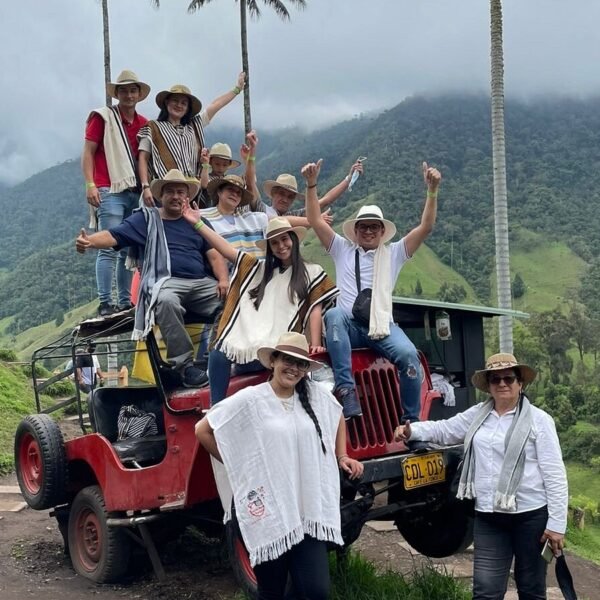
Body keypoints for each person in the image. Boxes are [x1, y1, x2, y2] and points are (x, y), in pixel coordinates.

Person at [195, 332, 363, 600]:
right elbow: (203, 430)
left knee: (316, 592)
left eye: (301, 364)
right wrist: (241, 466)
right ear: (273, 361)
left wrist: (342, 456)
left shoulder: (314, 396)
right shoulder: (251, 399)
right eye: (288, 360)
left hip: (307, 511)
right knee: (272, 592)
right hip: (269, 514)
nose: (294, 368)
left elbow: (338, 415)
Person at [394, 353, 568, 600]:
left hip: (530, 516)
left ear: (520, 383)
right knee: (485, 591)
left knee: (531, 589)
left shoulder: (540, 421)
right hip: (488, 515)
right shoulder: (478, 414)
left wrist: (557, 526)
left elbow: (555, 474)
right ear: (489, 385)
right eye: (495, 379)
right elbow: (445, 429)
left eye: (509, 378)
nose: (502, 383)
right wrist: (412, 431)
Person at [303, 159, 441, 420]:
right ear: (355, 231)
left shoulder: (394, 253)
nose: (368, 231)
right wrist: (311, 185)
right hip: (350, 327)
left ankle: (411, 422)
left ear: (382, 231)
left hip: (382, 328)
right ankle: (346, 390)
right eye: (363, 226)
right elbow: (314, 219)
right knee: (334, 315)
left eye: (374, 226)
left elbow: (426, 227)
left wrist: (432, 191)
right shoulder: (342, 249)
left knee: (410, 356)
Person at [76, 169, 229, 388]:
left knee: (233, 300)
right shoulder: (146, 219)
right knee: (165, 301)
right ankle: (185, 367)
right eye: (170, 192)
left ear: (187, 197)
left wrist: (223, 280)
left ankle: (216, 356)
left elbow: (214, 254)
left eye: (180, 192)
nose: (176, 196)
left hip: (201, 282)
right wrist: (89, 241)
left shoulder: (197, 221)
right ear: (161, 196)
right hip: (165, 282)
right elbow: (114, 235)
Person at [181, 210, 338, 405]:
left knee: (277, 361)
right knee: (218, 351)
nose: (281, 246)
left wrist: (315, 343)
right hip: (253, 345)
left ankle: (241, 371)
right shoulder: (259, 270)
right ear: (270, 248)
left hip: (281, 346)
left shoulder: (312, 271)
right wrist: (198, 224)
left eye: (284, 239)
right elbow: (227, 250)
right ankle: (216, 408)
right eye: (274, 243)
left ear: (293, 240)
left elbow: (315, 309)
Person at [82, 69, 150, 316]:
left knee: (126, 248)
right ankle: (105, 302)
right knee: (108, 245)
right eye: (124, 91)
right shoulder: (103, 118)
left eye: (133, 90)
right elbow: (88, 151)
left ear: (138, 94)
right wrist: (90, 184)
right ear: (117, 94)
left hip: (134, 191)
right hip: (109, 188)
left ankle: (123, 302)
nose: (129, 95)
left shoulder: (144, 124)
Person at [137, 73, 246, 207]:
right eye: (175, 101)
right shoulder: (153, 127)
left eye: (184, 103)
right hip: (164, 189)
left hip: (190, 190)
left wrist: (236, 89)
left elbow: (215, 105)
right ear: (167, 102)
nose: (179, 105)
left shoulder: (193, 126)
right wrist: (145, 186)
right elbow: (143, 158)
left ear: (188, 107)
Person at [258, 160, 364, 218]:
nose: (285, 200)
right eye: (281, 194)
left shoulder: (295, 216)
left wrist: (349, 178)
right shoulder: (261, 211)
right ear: (273, 193)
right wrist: (317, 220)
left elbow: (325, 201)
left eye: (290, 197)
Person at [197, 142, 242, 207]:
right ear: (210, 162)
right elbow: (204, 185)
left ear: (229, 164)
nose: (221, 168)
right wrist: (205, 164)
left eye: (224, 165)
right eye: (217, 164)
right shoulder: (206, 177)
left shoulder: (228, 181)